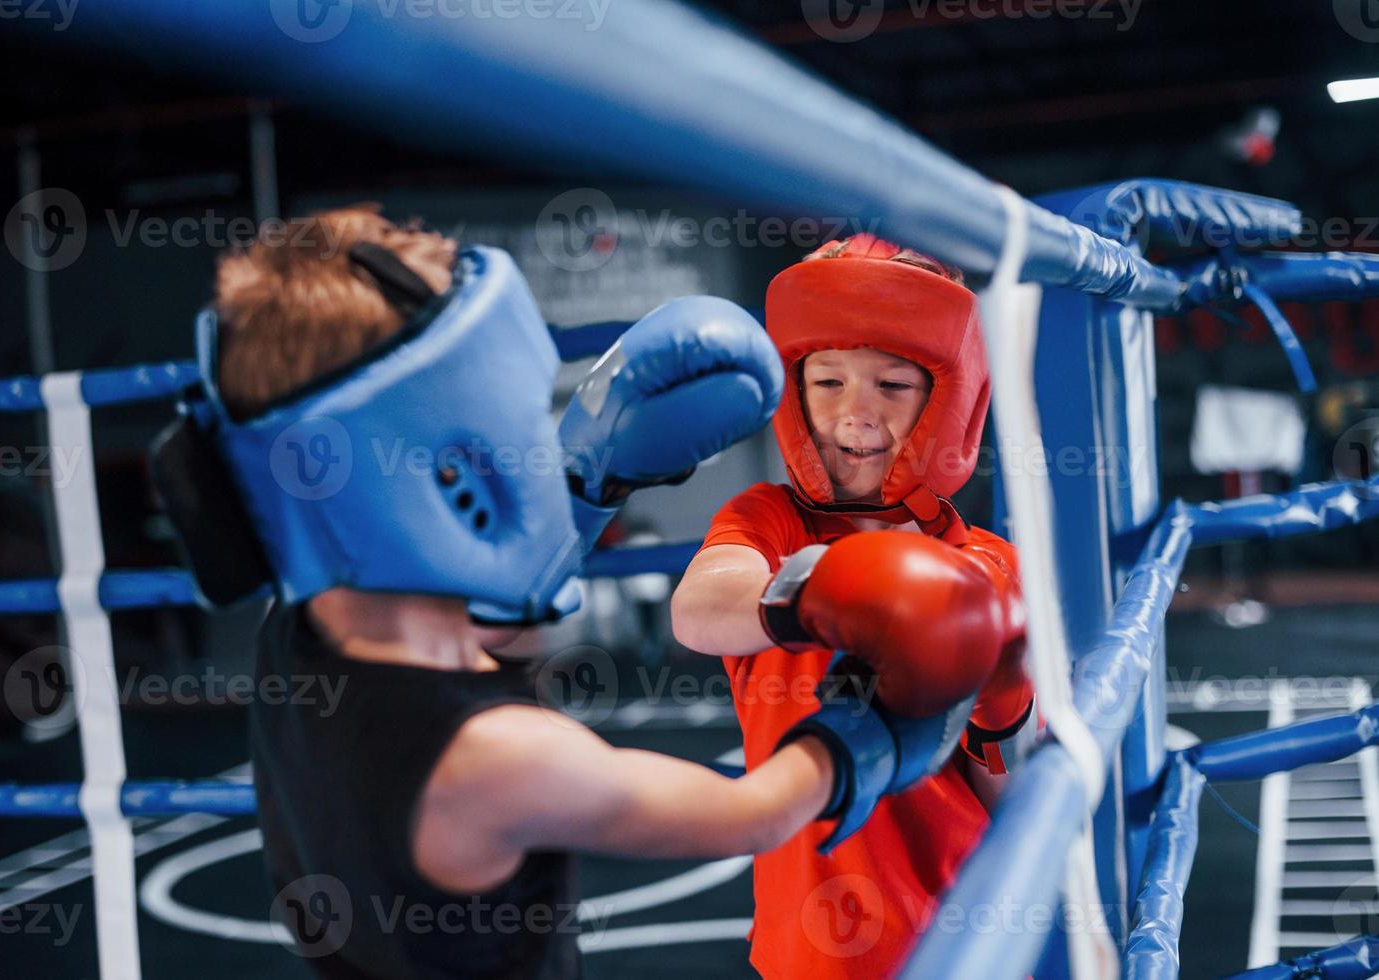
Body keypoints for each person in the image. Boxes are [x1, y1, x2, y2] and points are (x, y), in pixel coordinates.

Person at [152, 208, 982, 980]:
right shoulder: (500, 759)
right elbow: (753, 812)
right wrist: (868, 730)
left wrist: (588, 480)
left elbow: (487, 609)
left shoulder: (300, 632)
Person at [671, 234, 1038, 978]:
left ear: (948, 398)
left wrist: (1002, 715)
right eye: (827, 382)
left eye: (892, 386)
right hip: (812, 942)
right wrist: (825, 590)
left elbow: (1014, 803)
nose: (855, 416)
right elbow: (699, 610)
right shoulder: (771, 521)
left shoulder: (989, 563)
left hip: (966, 934)